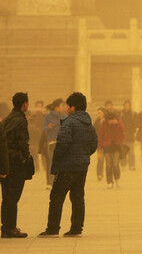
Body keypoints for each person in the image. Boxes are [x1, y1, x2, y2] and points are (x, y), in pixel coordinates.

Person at [38, 92, 98, 237]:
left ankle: (53, 228)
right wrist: (84, 155)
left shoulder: (69, 122)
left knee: (57, 196)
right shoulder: (89, 124)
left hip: (67, 166)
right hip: (82, 166)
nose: (65, 108)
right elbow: (94, 144)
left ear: (73, 107)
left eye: (67, 105)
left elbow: (62, 144)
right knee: (78, 197)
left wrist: (57, 159)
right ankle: (77, 228)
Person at [1, 93, 32, 238]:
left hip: (6, 162)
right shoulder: (20, 120)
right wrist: (25, 158)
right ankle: (11, 228)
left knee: (7, 196)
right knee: (13, 196)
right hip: (15, 163)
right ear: (24, 104)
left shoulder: (8, 118)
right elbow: (22, 142)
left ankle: (6, 227)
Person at [98, 109, 125, 189]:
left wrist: (117, 124)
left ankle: (117, 179)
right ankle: (109, 182)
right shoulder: (104, 123)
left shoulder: (118, 122)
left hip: (116, 145)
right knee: (108, 164)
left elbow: (123, 130)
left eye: (110, 120)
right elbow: (101, 135)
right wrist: (99, 147)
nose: (109, 122)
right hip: (107, 146)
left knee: (116, 164)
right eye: (108, 120)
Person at [42, 98, 66, 188]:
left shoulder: (64, 116)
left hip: (62, 142)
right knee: (52, 162)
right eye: (62, 106)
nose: (63, 107)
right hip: (51, 141)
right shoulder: (48, 116)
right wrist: (48, 126)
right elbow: (44, 128)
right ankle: (50, 182)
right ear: (56, 107)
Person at [27, 100, 45, 173]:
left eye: (40, 106)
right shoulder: (32, 115)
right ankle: (35, 167)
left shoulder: (45, 115)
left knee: (43, 152)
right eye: (38, 106)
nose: (39, 108)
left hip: (42, 135)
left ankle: (44, 167)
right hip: (34, 135)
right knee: (33, 153)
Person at [120, 100, 137, 170]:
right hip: (122, 136)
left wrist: (133, 130)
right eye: (126, 105)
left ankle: (132, 165)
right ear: (123, 106)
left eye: (128, 106)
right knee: (123, 151)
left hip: (130, 136)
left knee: (131, 152)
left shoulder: (133, 114)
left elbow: (136, 124)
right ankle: (123, 165)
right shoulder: (120, 114)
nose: (127, 107)